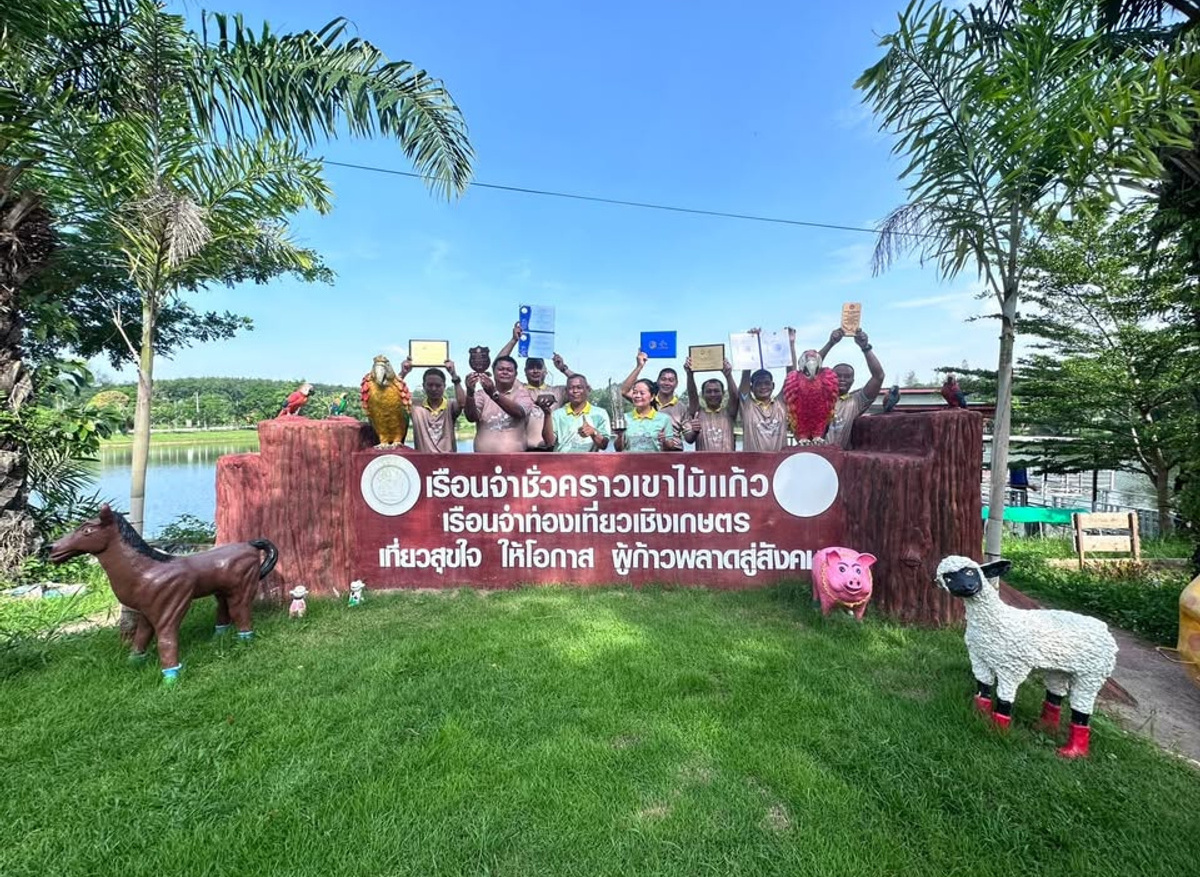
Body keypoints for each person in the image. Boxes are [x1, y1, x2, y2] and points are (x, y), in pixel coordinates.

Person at [496, 321, 566, 450]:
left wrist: (564, 369)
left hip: (553, 451)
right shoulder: (519, 388)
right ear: (524, 371)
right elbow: (498, 365)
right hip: (525, 452)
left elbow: (584, 387)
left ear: (545, 370)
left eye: (539, 367)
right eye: (531, 367)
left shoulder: (558, 391)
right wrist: (513, 341)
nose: (535, 370)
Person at [815, 327, 885, 449]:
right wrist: (830, 343)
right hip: (812, 456)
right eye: (838, 376)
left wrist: (865, 348)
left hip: (840, 460)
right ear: (830, 378)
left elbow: (878, 376)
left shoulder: (855, 401)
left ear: (853, 381)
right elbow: (809, 369)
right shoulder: (818, 396)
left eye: (847, 377)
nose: (842, 379)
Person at [735, 327, 797, 452]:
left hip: (779, 465)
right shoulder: (747, 405)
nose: (763, 387)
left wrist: (790, 344)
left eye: (767, 383)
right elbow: (745, 378)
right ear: (751, 388)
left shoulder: (781, 403)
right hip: (753, 466)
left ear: (773, 386)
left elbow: (792, 376)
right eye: (758, 384)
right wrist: (750, 343)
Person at [465, 355, 543, 453]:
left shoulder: (524, 393)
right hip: (483, 460)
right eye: (501, 369)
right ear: (493, 371)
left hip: (515, 461)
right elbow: (471, 417)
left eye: (509, 370)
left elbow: (520, 412)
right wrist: (470, 393)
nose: (505, 372)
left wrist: (493, 394)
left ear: (516, 374)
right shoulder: (481, 394)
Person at [619, 350, 686, 444]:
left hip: (674, 453)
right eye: (663, 379)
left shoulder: (681, 407)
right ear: (657, 381)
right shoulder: (647, 401)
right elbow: (624, 391)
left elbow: (689, 438)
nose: (666, 383)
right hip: (650, 450)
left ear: (676, 384)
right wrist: (639, 366)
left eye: (671, 380)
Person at [405, 360, 466, 452]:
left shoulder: (450, 405)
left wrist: (454, 376)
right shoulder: (415, 406)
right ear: (424, 386)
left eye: (438, 385)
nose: (434, 389)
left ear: (444, 386)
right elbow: (393, 399)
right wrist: (403, 373)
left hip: (448, 461)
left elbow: (462, 403)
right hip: (424, 462)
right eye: (430, 385)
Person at [683, 357, 738, 451]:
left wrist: (728, 375)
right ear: (703, 395)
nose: (713, 394)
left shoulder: (729, 412)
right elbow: (692, 394)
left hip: (727, 463)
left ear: (723, 393)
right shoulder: (697, 413)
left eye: (716, 391)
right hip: (703, 464)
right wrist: (690, 374)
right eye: (708, 391)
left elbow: (734, 396)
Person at [548, 374, 612, 452]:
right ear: (566, 391)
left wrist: (593, 432)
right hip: (562, 461)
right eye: (571, 388)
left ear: (587, 389)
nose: (575, 391)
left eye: (579, 387)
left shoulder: (600, 414)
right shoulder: (557, 414)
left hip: (588, 462)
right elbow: (549, 442)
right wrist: (546, 415)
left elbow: (604, 445)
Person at [614, 379, 681, 452]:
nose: (637, 396)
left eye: (642, 393)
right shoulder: (624, 418)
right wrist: (620, 435)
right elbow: (618, 449)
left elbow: (670, 448)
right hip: (629, 462)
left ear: (652, 397)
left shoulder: (664, 419)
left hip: (654, 462)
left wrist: (664, 441)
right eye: (635, 393)